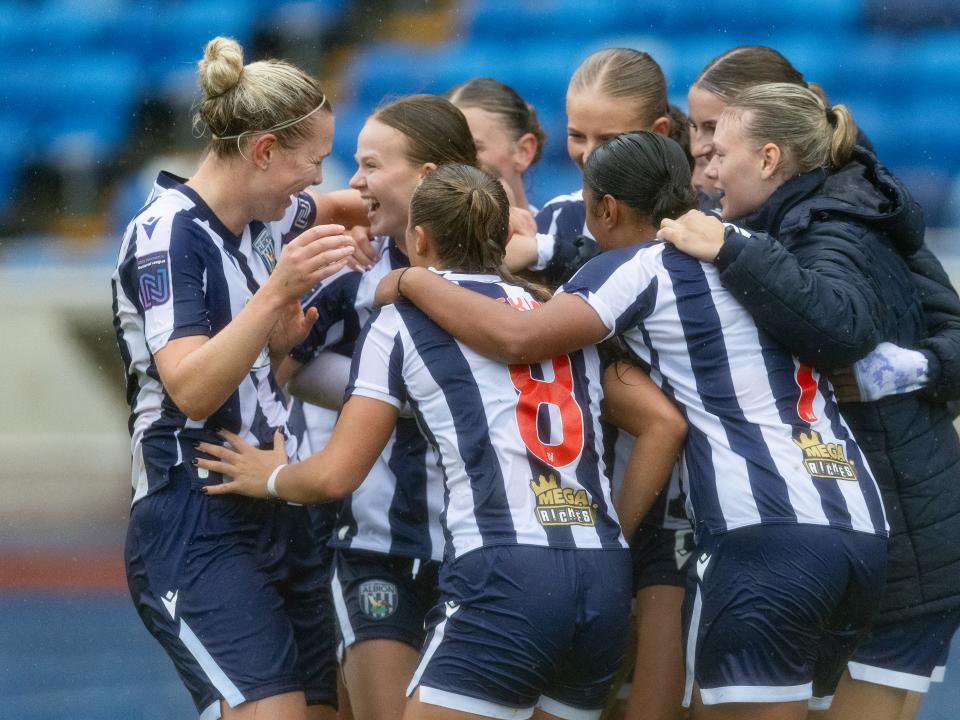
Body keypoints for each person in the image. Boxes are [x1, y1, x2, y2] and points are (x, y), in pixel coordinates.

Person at [372, 131, 890, 720]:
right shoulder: (749, 246)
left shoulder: (633, 266)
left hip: (765, 531)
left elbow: (517, 338)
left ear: (606, 208)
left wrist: (414, 281)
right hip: (859, 525)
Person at [196, 163, 641, 720]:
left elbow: (337, 474)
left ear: (420, 238)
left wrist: (273, 477)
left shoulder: (401, 322)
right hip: (604, 573)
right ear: (504, 235)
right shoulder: (555, 312)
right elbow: (655, 419)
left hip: (507, 568)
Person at [665, 78, 960, 720]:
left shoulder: (840, 222)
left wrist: (910, 368)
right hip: (869, 535)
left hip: (909, 546)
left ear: (770, 157)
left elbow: (841, 326)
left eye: (719, 143)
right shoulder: (808, 215)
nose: (707, 163)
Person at [112, 37, 357, 720]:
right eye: (311, 163)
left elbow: (338, 208)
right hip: (195, 514)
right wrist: (278, 296)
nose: (315, 182)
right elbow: (190, 387)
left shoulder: (262, 216)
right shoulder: (169, 233)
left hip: (275, 503)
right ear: (263, 151)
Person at [277, 95, 477, 720]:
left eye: (369, 165)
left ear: (426, 177)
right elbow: (288, 365)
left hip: (483, 547)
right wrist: (395, 396)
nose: (354, 182)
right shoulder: (351, 268)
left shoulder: (508, 270)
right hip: (375, 544)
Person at [445, 76, 546, 214]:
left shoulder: (558, 232)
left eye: (474, 148)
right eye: (445, 149)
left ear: (524, 151)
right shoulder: (421, 233)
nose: (455, 163)